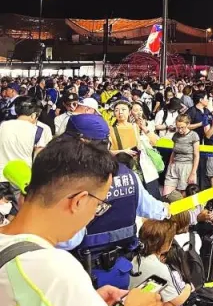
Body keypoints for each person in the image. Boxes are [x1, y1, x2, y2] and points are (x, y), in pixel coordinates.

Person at [0, 135, 161, 306]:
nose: (95, 213)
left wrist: (86, 304)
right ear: (79, 201)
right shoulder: (55, 270)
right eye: (99, 205)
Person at [58, 114, 171, 289]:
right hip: (120, 269)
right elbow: (154, 210)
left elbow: (68, 241)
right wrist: (165, 208)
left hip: (82, 274)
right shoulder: (126, 173)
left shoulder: (71, 180)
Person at [130, 219, 200, 306]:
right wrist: (188, 286)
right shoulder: (162, 270)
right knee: (170, 302)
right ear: (164, 244)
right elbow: (178, 300)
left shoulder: (133, 259)